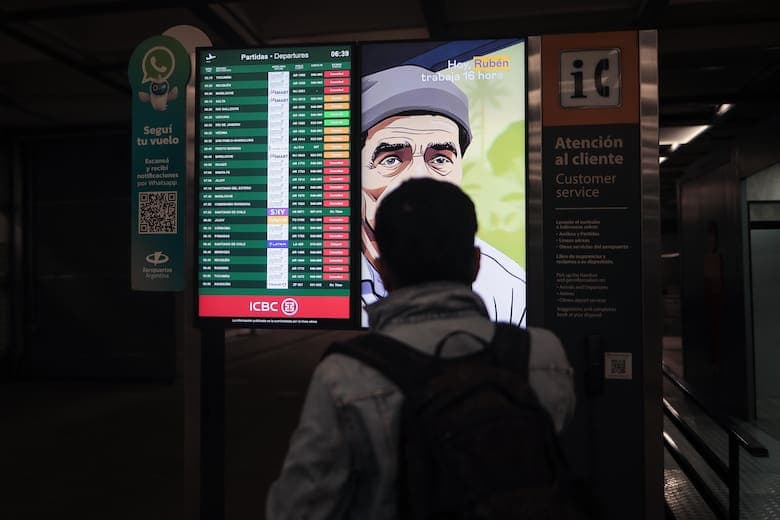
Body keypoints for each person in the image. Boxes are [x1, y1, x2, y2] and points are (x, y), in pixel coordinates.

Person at [266, 178, 575, 520]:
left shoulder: (346, 377)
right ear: (475, 263)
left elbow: (300, 509)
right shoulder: (544, 356)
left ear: (382, 271)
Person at [361, 64, 527, 327]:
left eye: (439, 158)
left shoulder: (511, 289)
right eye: (391, 159)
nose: (417, 176)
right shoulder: (318, 275)